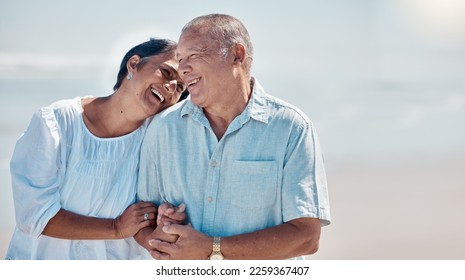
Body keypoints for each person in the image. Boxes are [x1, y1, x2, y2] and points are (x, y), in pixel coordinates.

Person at [136, 14, 331, 260]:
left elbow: (306, 237)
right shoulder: (163, 128)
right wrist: (161, 233)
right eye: (181, 59)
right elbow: (144, 222)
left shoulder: (292, 128)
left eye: (193, 56)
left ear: (236, 55)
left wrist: (213, 248)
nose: (182, 69)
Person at [6, 38, 187, 260]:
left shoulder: (157, 141)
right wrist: (115, 227)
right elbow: (34, 215)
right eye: (167, 73)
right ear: (133, 64)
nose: (171, 88)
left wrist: (163, 225)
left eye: (180, 88)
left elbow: (143, 222)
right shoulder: (58, 122)